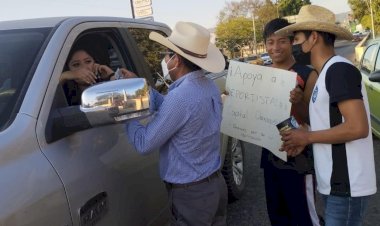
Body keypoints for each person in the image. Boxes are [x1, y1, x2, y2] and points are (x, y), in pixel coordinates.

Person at [276, 5, 377, 226]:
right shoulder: (325, 74)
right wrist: (304, 135)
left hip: (347, 186)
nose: (295, 45)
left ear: (313, 38)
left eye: (297, 38)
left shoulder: (339, 70)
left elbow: (358, 127)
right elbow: (331, 123)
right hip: (334, 184)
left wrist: (307, 137)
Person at [125, 21, 228, 225]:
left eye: (166, 54)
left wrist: (127, 111)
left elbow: (144, 143)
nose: (165, 60)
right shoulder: (206, 86)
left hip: (192, 195)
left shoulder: (180, 97)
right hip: (214, 185)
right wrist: (142, 88)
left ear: (177, 60)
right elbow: (176, 115)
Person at [260, 18, 320, 226]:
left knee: (303, 216)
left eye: (282, 41)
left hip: (299, 160)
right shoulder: (261, 75)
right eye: (270, 42)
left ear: (293, 42)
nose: (275, 47)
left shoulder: (307, 74)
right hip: (270, 155)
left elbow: (315, 119)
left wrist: (300, 101)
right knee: (277, 216)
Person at [60, 47, 134, 105]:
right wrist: (65, 75)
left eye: (88, 62)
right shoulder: (64, 93)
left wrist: (111, 75)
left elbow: (130, 96)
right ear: (68, 69)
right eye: (76, 65)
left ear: (95, 63)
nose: (84, 68)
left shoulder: (106, 87)